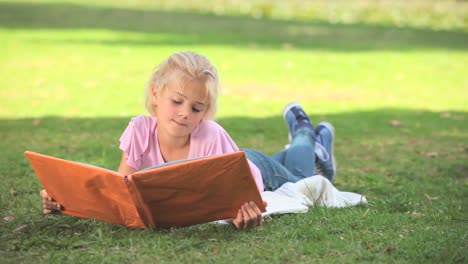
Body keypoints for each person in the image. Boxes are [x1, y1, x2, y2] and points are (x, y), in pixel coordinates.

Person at [40, 51, 336, 230]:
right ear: (156, 94)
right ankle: (313, 146)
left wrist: (243, 214)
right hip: (238, 156)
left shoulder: (211, 135)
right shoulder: (140, 130)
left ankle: (306, 133)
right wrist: (65, 198)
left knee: (298, 177)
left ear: (205, 111)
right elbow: (122, 187)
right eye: (177, 101)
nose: (184, 114)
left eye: (196, 108)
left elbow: (245, 193)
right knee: (289, 164)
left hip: (251, 167)